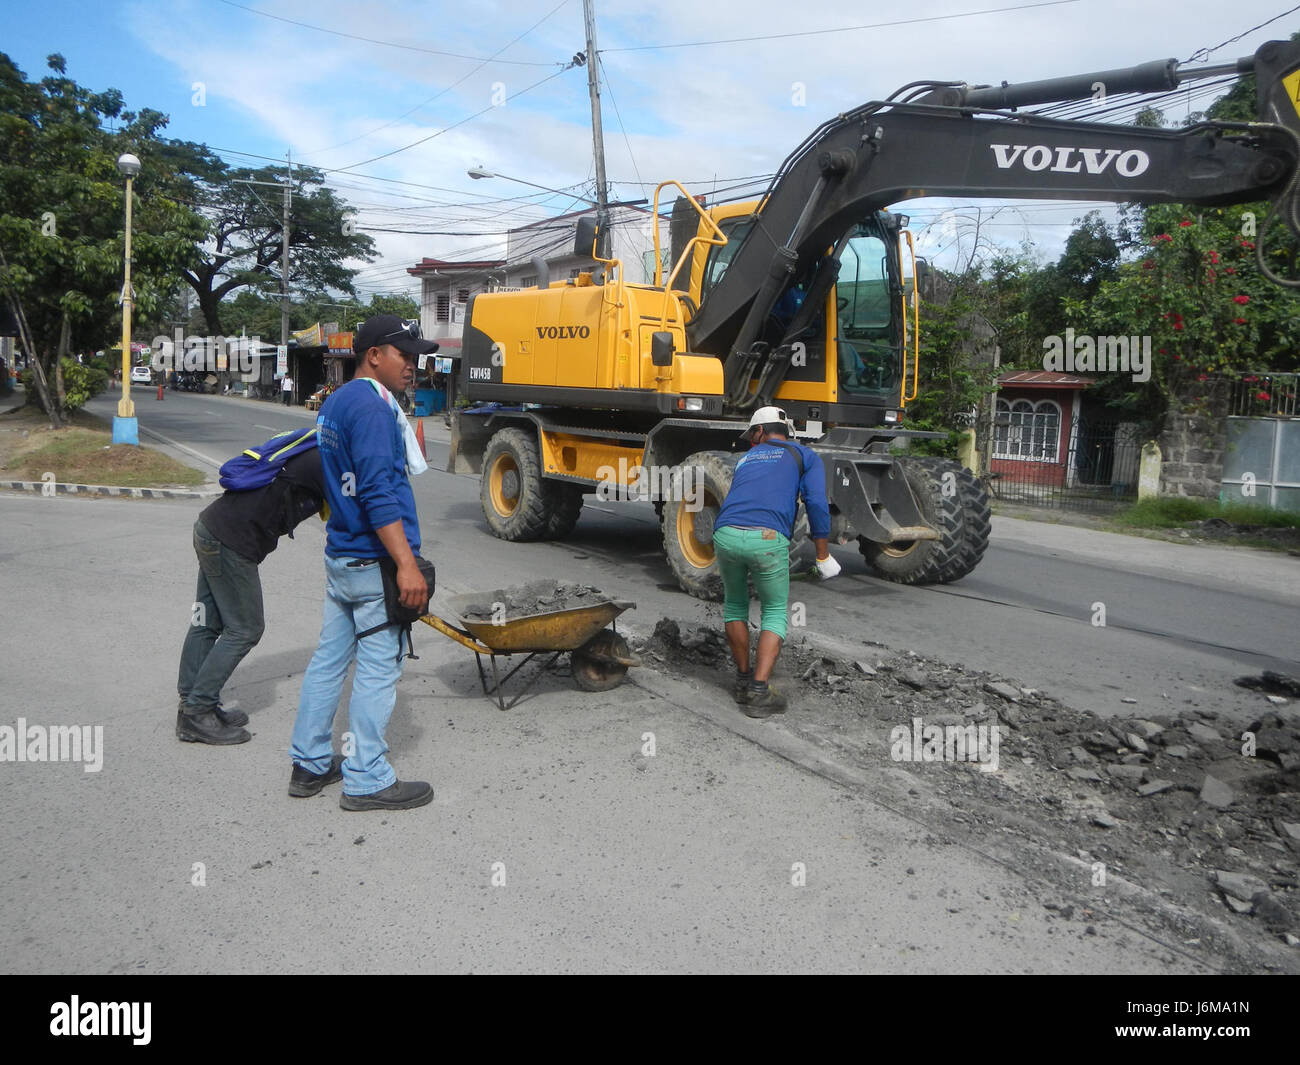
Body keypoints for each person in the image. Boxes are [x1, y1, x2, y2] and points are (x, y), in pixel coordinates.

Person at [288, 315, 437, 811]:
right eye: (405, 355)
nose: (413, 366)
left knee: (329, 662)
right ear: (374, 355)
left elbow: (337, 485)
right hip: (374, 564)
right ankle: (367, 777)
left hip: (342, 558)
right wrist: (406, 566)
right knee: (377, 669)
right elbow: (376, 492)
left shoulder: (335, 403)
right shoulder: (373, 408)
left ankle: (309, 763)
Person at [176, 445, 326, 745]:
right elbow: (352, 517)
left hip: (211, 528)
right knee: (245, 628)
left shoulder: (316, 448)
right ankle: (197, 710)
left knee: (207, 622)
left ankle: (192, 701)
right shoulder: (329, 461)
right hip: (231, 543)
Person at [712, 406, 840, 718]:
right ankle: (758, 692)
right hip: (767, 538)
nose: (750, 442)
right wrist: (822, 555)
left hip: (725, 533)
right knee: (773, 612)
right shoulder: (804, 456)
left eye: (751, 436)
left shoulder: (745, 459)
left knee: (735, 605)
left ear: (760, 432)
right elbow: (816, 504)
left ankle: (742, 681)